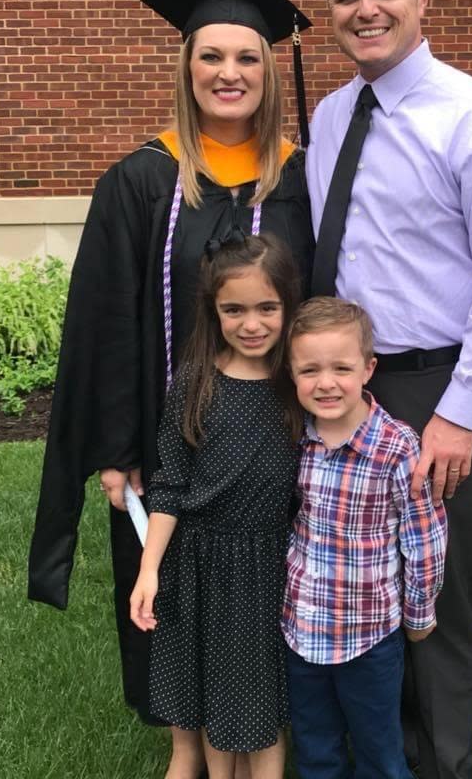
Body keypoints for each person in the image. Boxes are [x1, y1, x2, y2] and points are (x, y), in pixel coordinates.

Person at [27, 0, 315, 777]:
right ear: (186, 68)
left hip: (275, 449)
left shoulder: (301, 178)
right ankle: (185, 744)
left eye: (248, 57)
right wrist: (116, 452)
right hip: (173, 447)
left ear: (270, 69)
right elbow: (107, 323)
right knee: (174, 600)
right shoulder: (139, 181)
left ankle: (265, 730)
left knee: (265, 597)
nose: (229, 73)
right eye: (211, 57)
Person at [306, 0, 472, 779]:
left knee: (437, 591)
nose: (365, 9)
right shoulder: (332, 118)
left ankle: (444, 763)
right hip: (346, 389)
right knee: (362, 579)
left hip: (436, 388)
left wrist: (459, 417)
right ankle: (378, 753)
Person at [131, 233, 302, 779]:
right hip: (198, 562)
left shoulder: (299, 384)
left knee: (260, 697)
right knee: (205, 690)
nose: (251, 324)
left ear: (287, 306)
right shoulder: (195, 381)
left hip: (270, 563)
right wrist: (149, 568)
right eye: (234, 310)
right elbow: (171, 483)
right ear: (214, 311)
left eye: (266, 308)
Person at [282, 297, 447, 779]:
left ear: (368, 369)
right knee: (315, 748)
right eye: (309, 370)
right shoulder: (297, 439)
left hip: (368, 637)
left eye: (341, 367)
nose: (325, 382)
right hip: (301, 632)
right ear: (292, 374)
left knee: (379, 750)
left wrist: (419, 613)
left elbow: (424, 539)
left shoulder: (397, 447)